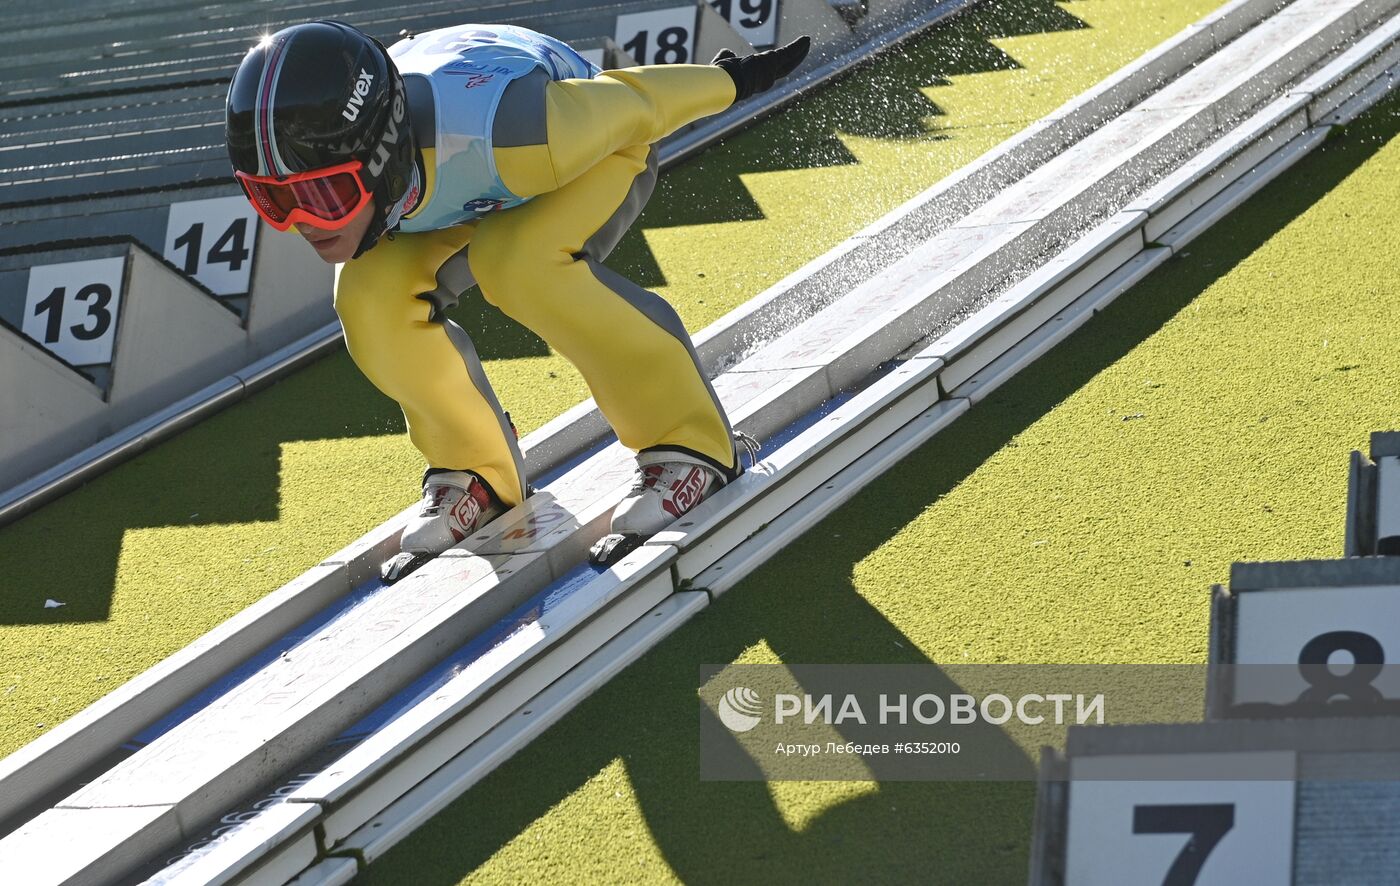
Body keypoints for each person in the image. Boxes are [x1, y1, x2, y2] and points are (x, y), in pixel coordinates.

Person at [225, 20, 808, 575]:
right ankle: (478, 476)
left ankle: (692, 447)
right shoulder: (377, 162)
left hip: (579, 155)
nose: (304, 223)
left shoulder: (521, 132)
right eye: (273, 200)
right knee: (369, 302)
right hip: (439, 185)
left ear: (381, 155)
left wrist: (736, 78)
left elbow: (638, 103)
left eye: (324, 194)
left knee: (519, 265)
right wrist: (336, 195)